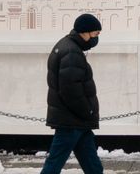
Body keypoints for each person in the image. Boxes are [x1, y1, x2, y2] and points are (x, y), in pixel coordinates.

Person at [41, 13, 104, 174]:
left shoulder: (66, 46)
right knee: (54, 164)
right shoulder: (72, 53)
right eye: (95, 34)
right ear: (85, 32)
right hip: (71, 121)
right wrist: (87, 110)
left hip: (77, 121)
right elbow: (70, 91)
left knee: (92, 164)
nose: (96, 38)